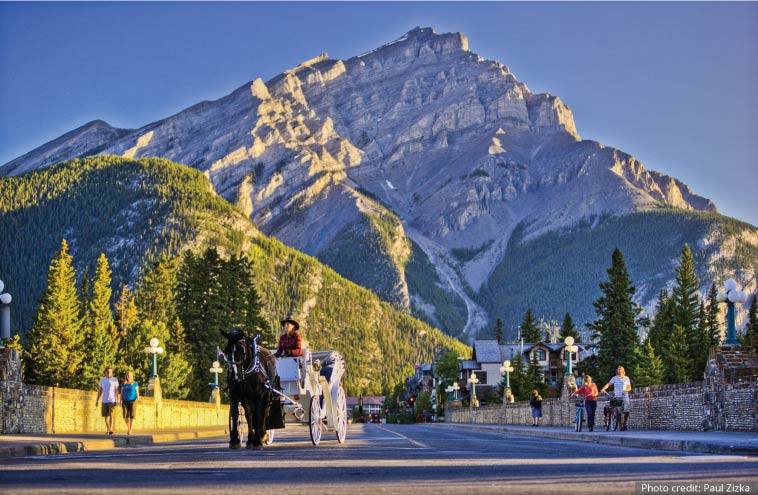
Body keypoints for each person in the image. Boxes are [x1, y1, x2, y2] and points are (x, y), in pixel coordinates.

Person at [601, 365, 632, 430]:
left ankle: (625, 423)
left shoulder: (626, 378)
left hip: (625, 397)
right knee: (619, 412)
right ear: (617, 371)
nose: (619, 370)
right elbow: (608, 384)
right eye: (618, 369)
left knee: (627, 411)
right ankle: (620, 426)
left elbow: (629, 387)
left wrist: (626, 390)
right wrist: (603, 389)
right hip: (617, 397)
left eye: (620, 369)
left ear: (623, 371)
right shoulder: (614, 378)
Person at [95, 367, 119, 435]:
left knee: (111, 414)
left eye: (110, 372)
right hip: (104, 400)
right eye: (107, 371)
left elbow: (117, 390)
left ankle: (110, 429)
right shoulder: (102, 380)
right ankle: (108, 429)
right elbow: (100, 390)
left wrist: (117, 400)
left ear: (112, 372)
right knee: (106, 416)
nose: (109, 373)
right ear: (105, 372)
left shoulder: (115, 380)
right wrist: (97, 400)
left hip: (112, 400)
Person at [121, 371, 139, 435]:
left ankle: (130, 430)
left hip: (133, 400)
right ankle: (128, 428)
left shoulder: (135, 383)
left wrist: (138, 398)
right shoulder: (123, 384)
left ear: (132, 376)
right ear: (126, 376)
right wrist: (120, 400)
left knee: (132, 415)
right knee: (125, 416)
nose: (129, 376)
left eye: (130, 375)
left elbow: (137, 392)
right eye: (128, 375)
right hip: (125, 400)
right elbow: (122, 392)